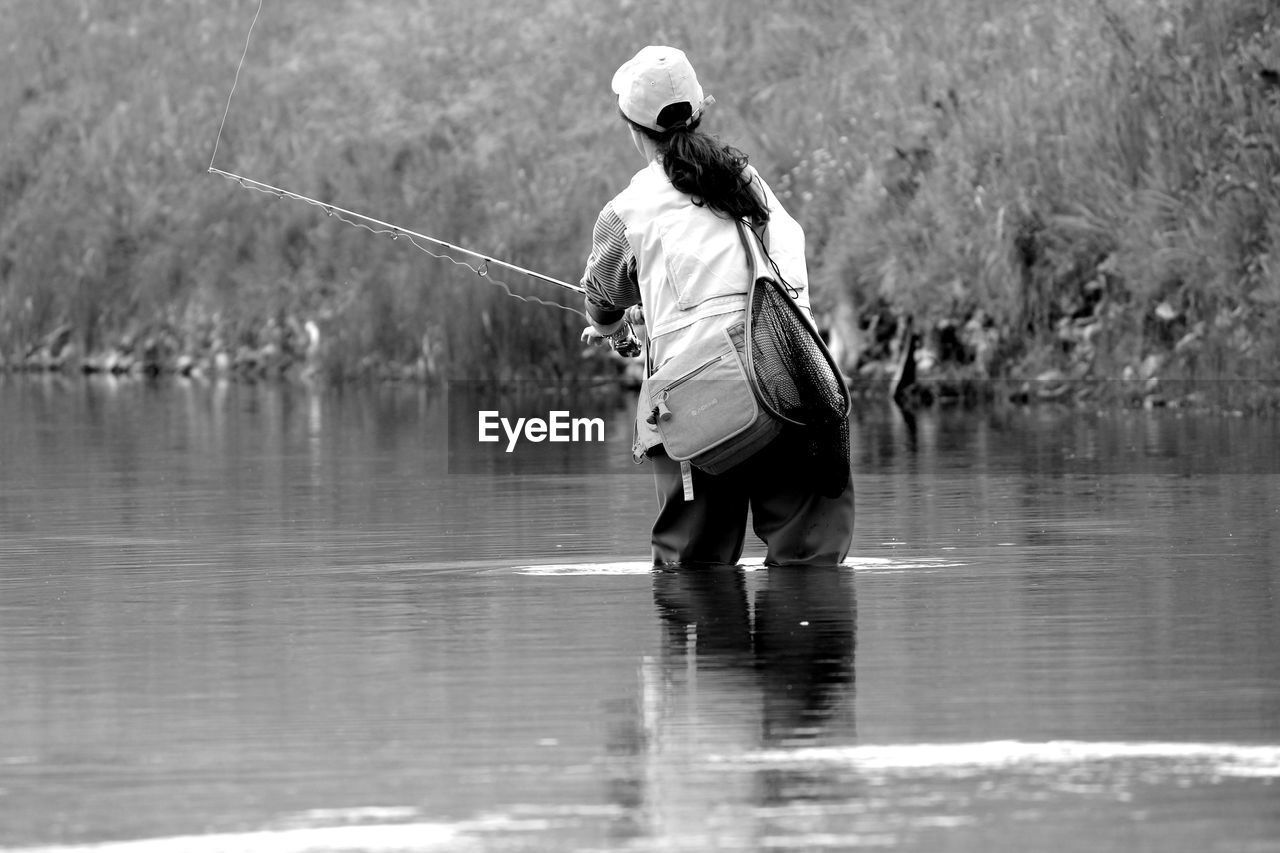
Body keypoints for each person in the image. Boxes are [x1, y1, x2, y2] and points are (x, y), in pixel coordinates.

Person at [579, 45, 854, 567]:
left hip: (698, 400)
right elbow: (776, 283)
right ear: (700, 110)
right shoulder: (751, 184)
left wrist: (614, 329)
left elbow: (602, 300)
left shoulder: (625, 213)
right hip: (797, 378)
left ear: (633, 130)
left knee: (694, 567)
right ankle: (812, 631)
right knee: (812, 561)